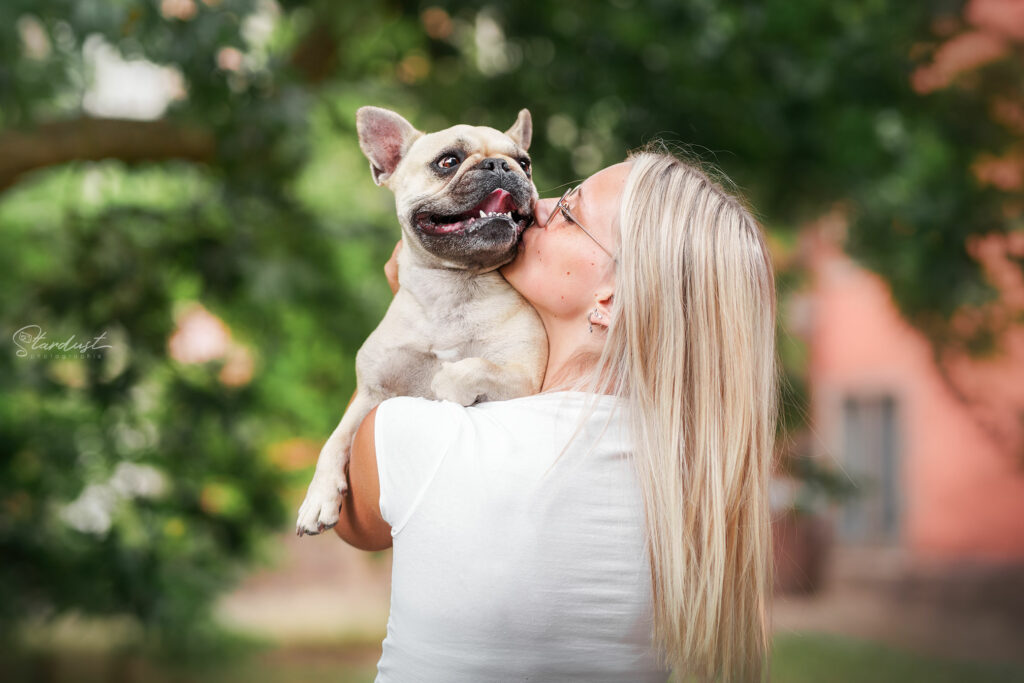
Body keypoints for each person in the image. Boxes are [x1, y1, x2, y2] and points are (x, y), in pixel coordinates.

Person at [333, 148, 778, 682]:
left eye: (569, 212)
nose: (537, 205)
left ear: (609, 302)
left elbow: (352, 520)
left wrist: (412, 309)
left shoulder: (425, 438)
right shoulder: (695, 482)